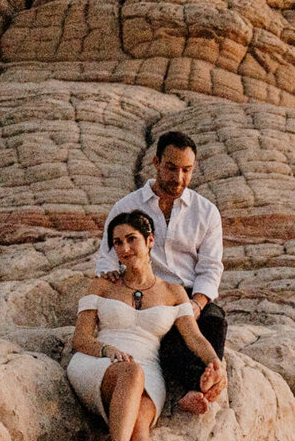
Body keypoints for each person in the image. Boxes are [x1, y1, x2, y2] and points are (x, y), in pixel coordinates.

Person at [68, 210, 226, 441]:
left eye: (132, 240)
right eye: (117, 243)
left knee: (141, 417)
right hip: (98, 362)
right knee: (131, 372)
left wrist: (216, 363)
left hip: (148, 369)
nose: (125, 249)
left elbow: (193, 337)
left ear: (150, 240)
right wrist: (106, 350)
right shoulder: (102, 285)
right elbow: (80, 339)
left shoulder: (173, 291)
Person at [95, 131, 227, 414]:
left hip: (189, 294)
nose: (178, 178)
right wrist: (119, 288)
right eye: (171, 168)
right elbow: (106, 261)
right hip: (149, 290)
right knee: (166, 344)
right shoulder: (127, 207)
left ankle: (205, 382)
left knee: (215, 322)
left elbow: (210, 267)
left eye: (186, 170)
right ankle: (200, 383)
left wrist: (197, 303)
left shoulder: (206, 212)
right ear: (155, 162)